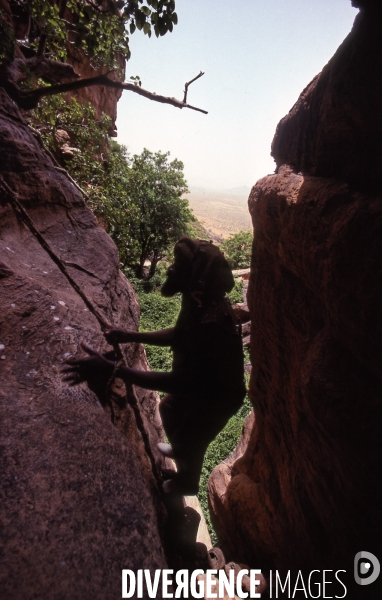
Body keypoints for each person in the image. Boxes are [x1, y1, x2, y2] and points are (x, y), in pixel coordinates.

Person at [62, 237, 246, 495]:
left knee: (193, 436)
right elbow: (179, 334)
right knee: (170, 410)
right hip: (209, 386)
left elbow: (180, 381)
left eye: (178, 264)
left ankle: (187, 481)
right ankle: (184, 454)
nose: (171, 268)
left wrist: (113, 370)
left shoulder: (210, 321)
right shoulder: (202, 301)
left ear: (195, 274)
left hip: (219, 396)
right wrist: (130, 335)